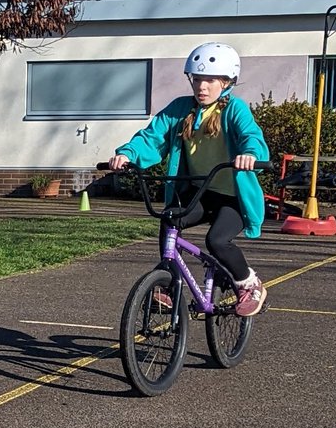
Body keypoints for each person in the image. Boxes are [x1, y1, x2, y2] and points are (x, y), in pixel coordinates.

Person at [108, 42, 270, 316]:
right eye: (197, 79)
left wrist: (250, 154)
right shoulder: (181, 109)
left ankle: (249, 284)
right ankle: (170, 285)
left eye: (209, 80)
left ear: (227, 81)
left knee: (217, 241)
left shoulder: (235, 109)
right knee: (170, 218)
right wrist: (127, 155)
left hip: (232, 197)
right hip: (199, 192)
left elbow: (250, 136)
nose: (202, 87)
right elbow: (152, 137)